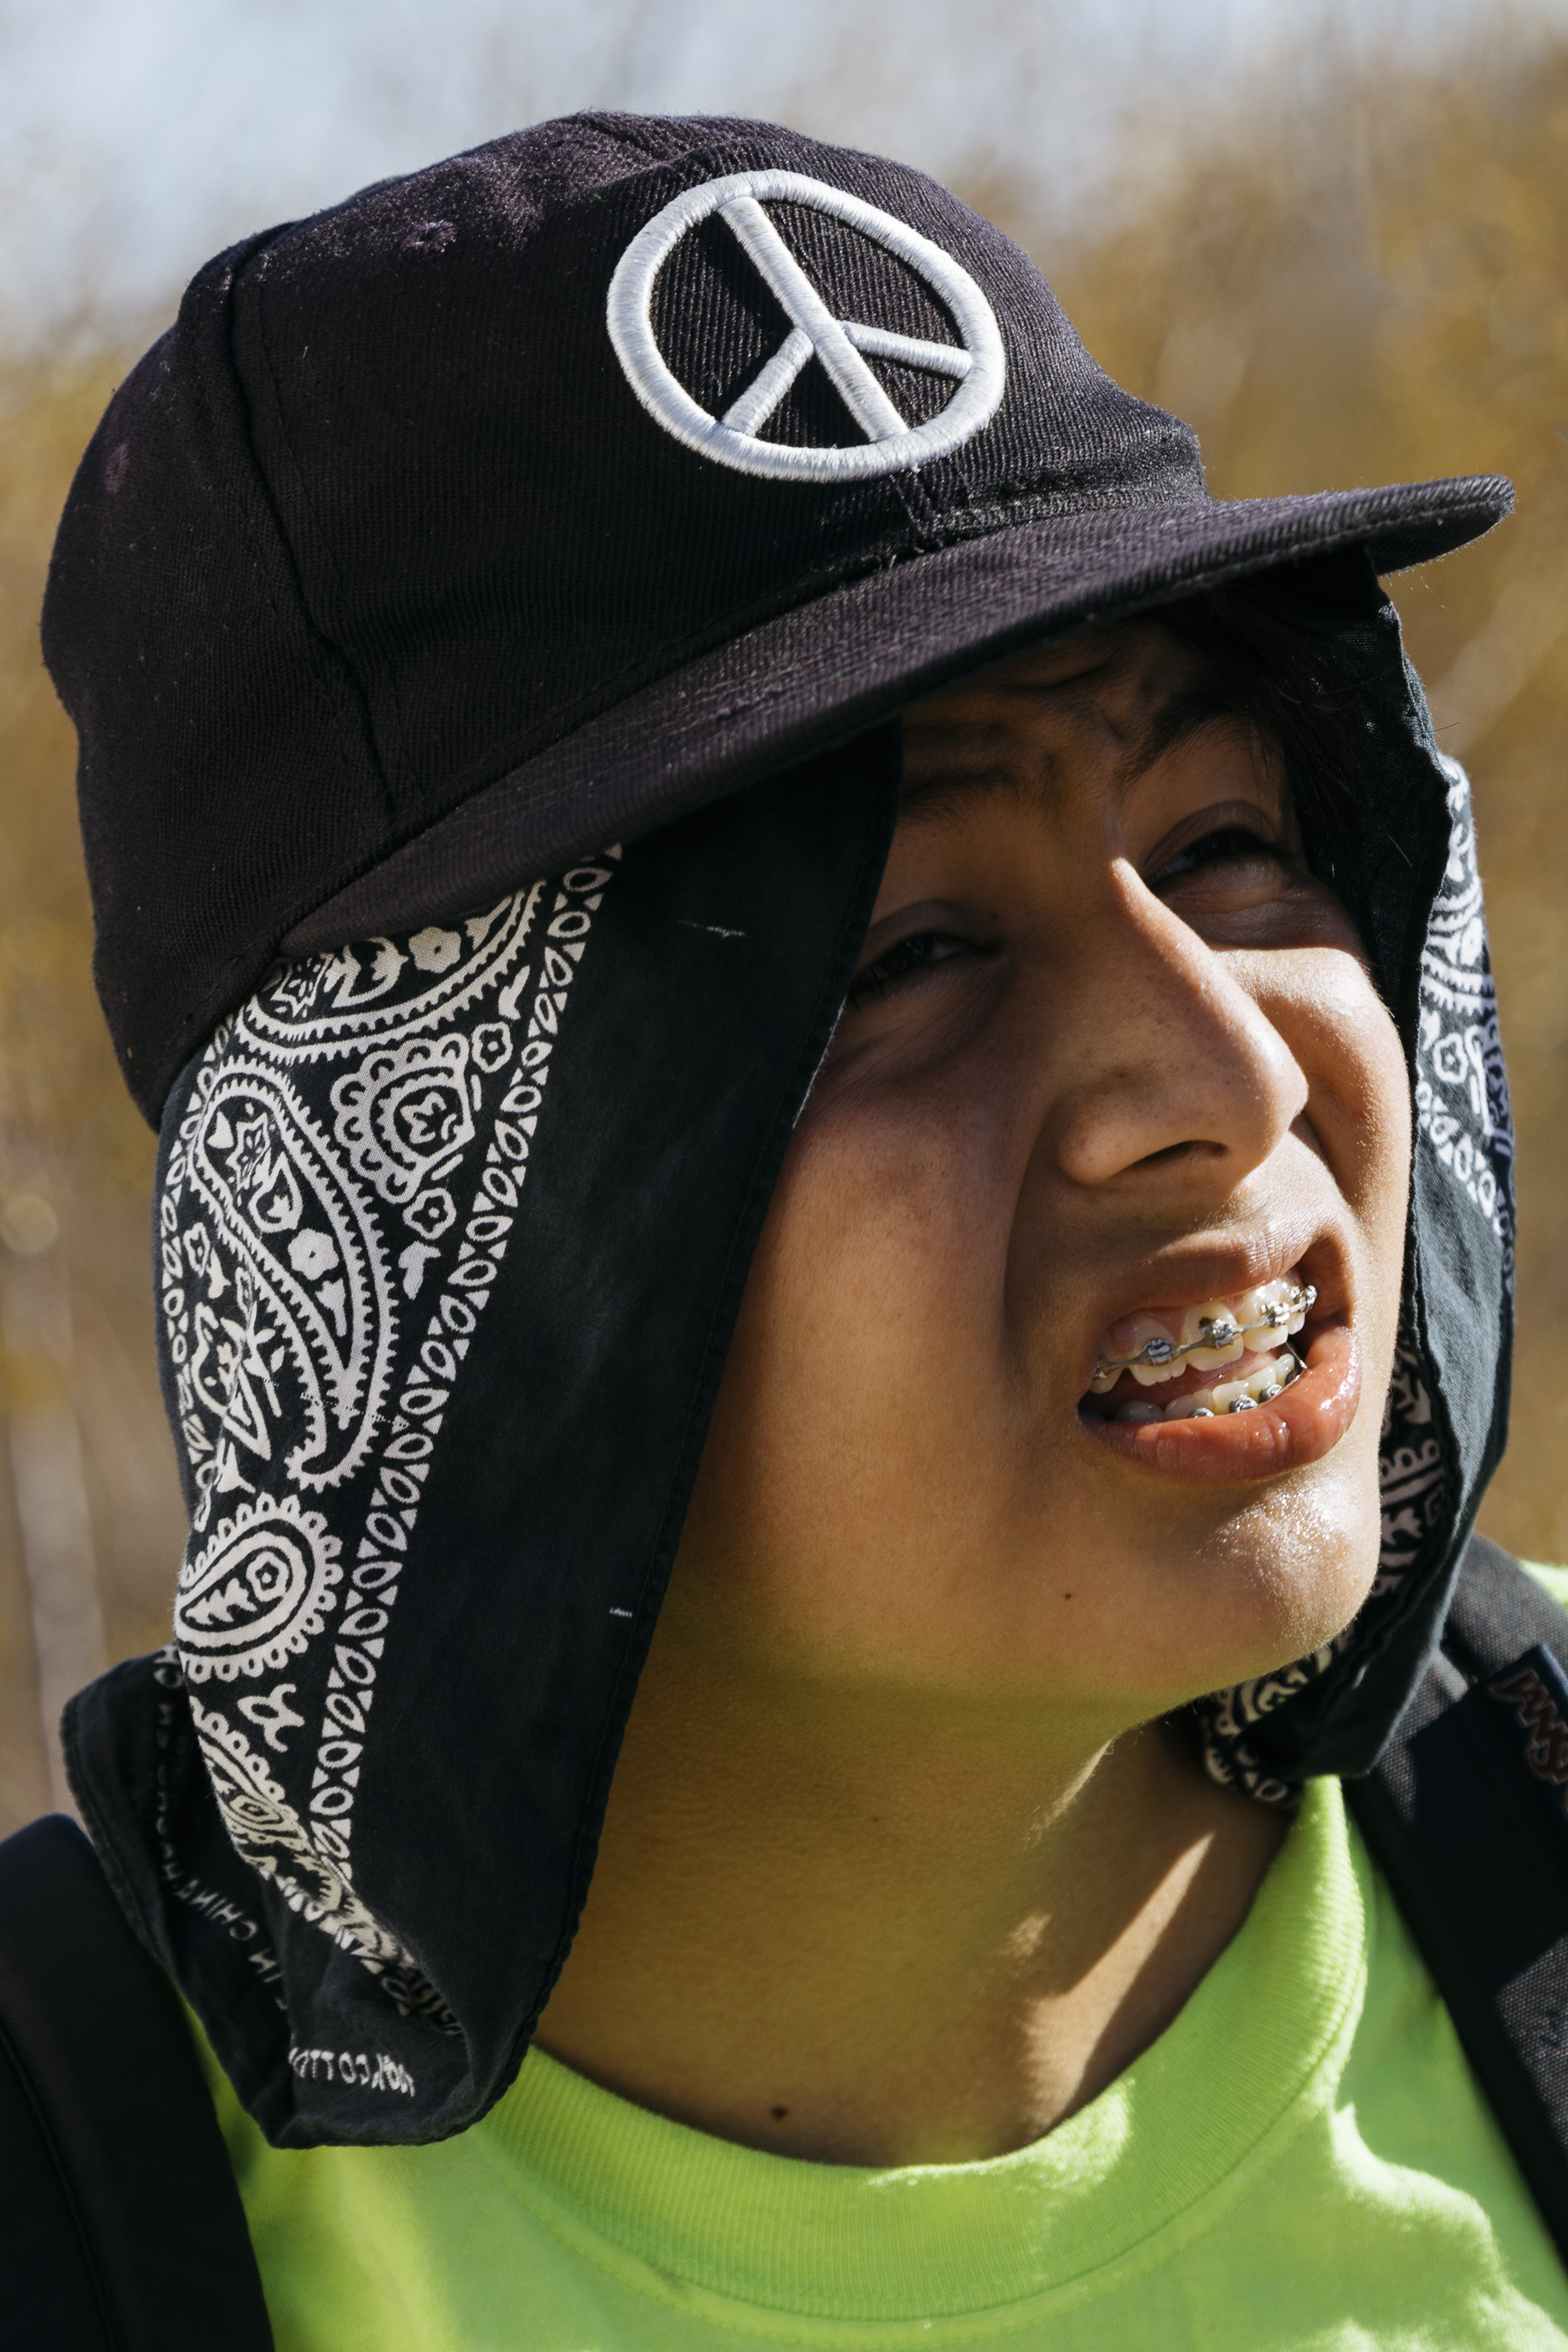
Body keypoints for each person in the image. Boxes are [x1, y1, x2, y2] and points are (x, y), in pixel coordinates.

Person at [20, 107, 1563, 2347]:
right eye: (897, 954)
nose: (1224, 1077)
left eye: (1231, 835)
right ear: (419, 1210)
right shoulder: (84, 2212)